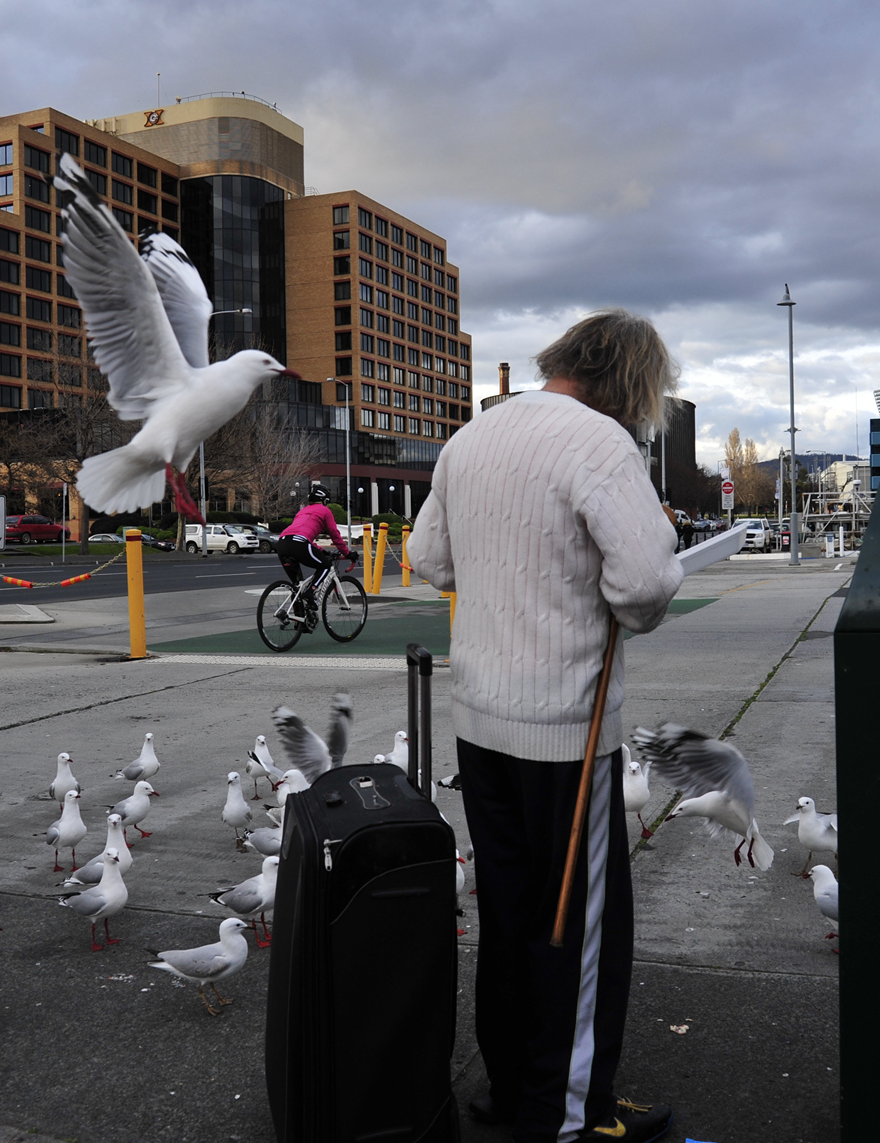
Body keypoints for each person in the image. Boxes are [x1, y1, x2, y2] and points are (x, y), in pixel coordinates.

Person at [408, 309, 683, 1143]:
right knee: (579, 929)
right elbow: (643, 588)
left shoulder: (472, 438)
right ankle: (567, 1115)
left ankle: (514, 1086)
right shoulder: (602, 446)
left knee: (511, 913)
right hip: (566, 728)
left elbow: (429, 559)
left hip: (481, 721)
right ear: (630, 383)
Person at [274, 485, 353, 610]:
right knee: (325, 565)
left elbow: (303, 535)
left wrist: (321, 551)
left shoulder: (302, 511)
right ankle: (311, 591)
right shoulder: (325, 511)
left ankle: (299, 621)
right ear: (324, 500)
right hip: (299, 543)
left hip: (282, 543)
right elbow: (334, 534)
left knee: (297, 585)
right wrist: (347, 553)